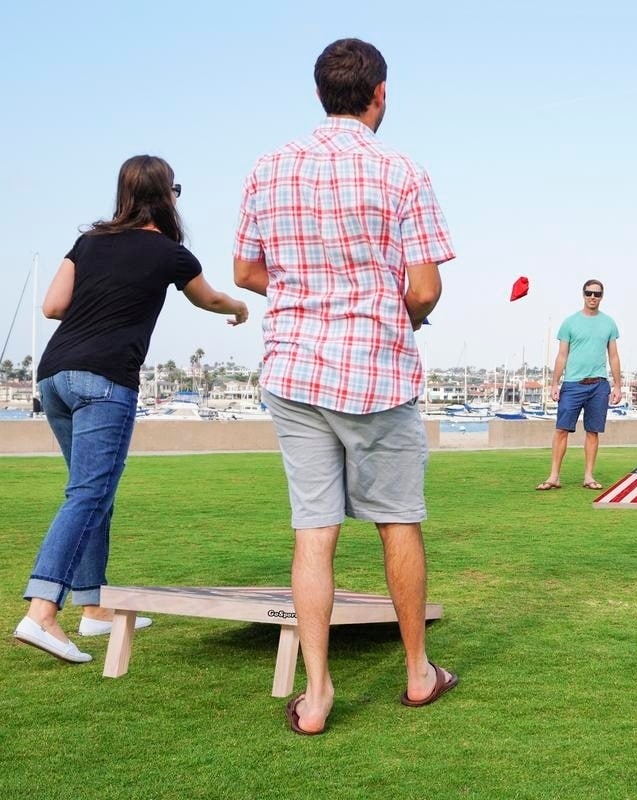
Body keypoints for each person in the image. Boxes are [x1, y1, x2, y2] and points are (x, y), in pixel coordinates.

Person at [233, 38, 457, 734]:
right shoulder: (401, 171)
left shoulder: (268, 168)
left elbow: (244, 272)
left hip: (295, 370)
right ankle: (418, 673)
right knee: (398, 521)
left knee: (313, 534)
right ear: (379, 93)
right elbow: (424, 287)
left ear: (320, 92)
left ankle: (319, 691)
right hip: (377, 371)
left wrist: (306, 291)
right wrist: (401, 313)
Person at [14, 155, 249, 663]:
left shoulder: (88, 241)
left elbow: (53, 307)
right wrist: (240, 308)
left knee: (93, 493)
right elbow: (208, 300)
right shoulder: (169, 253)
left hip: (54, 377)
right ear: (168, 196)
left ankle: (94, 608)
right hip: (104, 381)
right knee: (87, 494)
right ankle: (41, 611)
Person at [537, 279, 622, 491]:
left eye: (597, 294)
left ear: (602, 296)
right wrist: (555, 383)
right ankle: (554, 476)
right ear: (583, 294)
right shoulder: (570, 323)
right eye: (589, 293)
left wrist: (617, 385)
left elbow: (613, 357)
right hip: (573, 385)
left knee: (593, 432)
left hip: (599, 386)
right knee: (561, 430)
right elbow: (561, 355)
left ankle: (589, 477)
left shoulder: (609, 323)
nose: (592, 297)